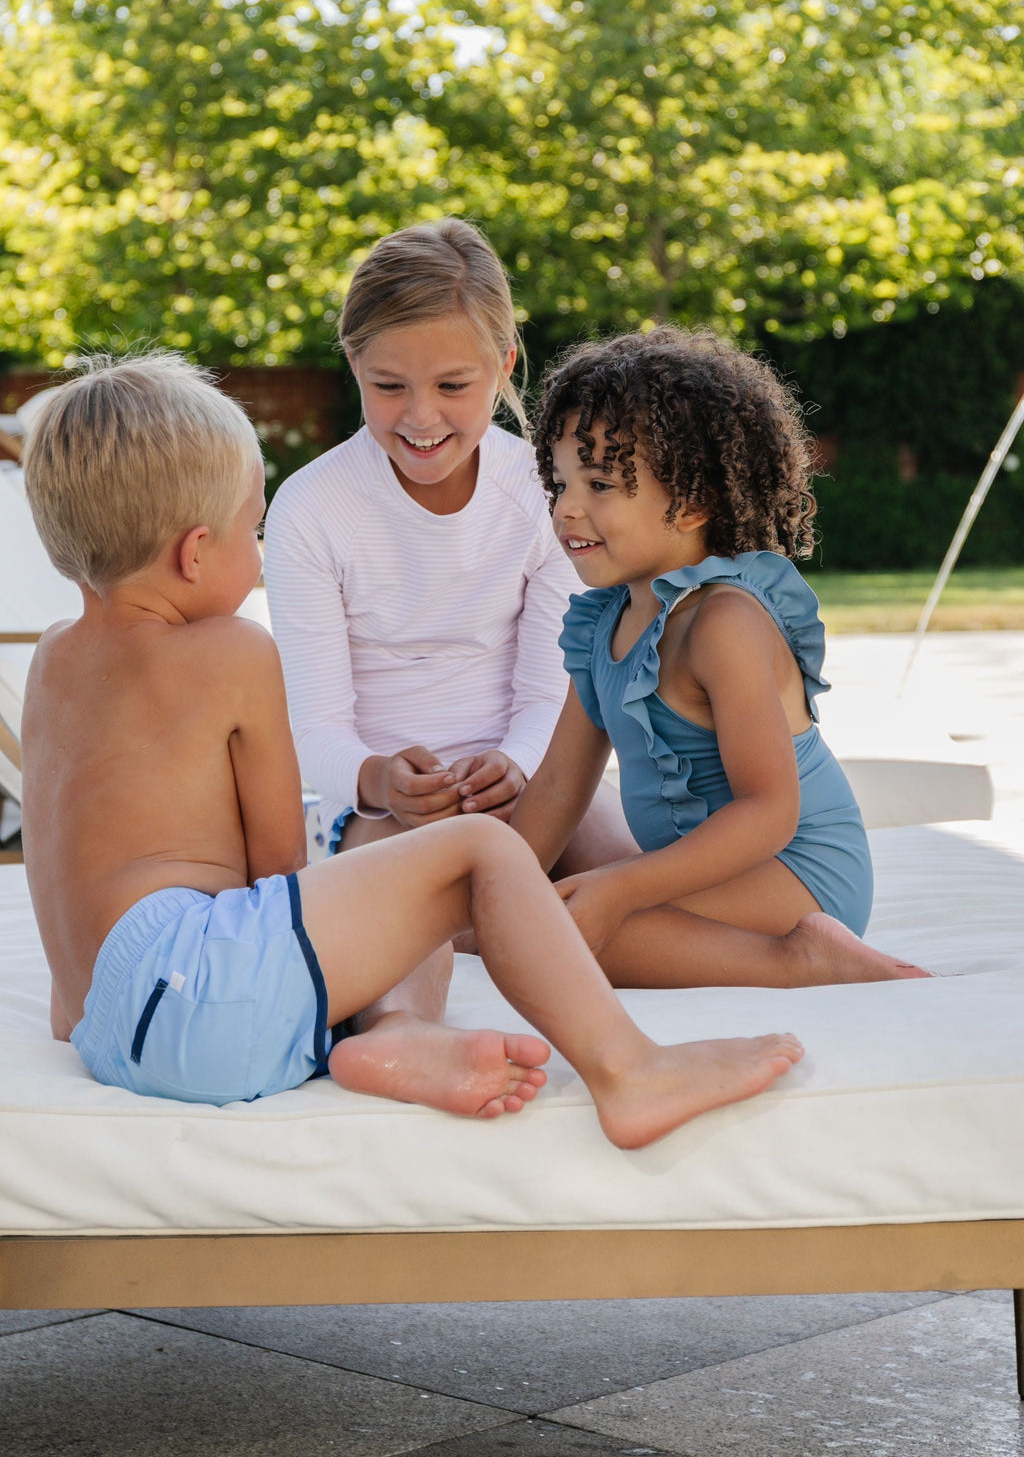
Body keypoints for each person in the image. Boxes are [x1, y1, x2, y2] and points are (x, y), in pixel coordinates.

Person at [17, 350, 804, 1147]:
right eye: (251, 530)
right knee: (475, 850)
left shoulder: (54, 662)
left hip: (106, 1027)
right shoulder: (231, 651)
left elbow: (61, 863)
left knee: (405, 885)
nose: (258, 554)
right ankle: (628, 1072)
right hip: (205, 988)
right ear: (193, 553)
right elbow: (280, 868)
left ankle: (396, 1033)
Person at [262, 217, 635, 1038]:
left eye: (454, 386)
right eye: (389, 385)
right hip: (384, 810)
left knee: (624, 866)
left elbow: (550, 694)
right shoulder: (312, 509)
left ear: (504, 366)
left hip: (525, 784)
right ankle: (404, 1037)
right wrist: (379, 779)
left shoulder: (540, 490)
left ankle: (782, 959)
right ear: (354, 364)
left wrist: (520, 765)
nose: (421, 417)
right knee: (379, 896)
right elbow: (316, 725)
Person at [512, 326, 931, 989]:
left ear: (693, 502)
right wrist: (488, 893)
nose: (566, 510)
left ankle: (804, 959)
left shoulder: (723, 622)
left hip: (796, 873)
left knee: (563, 938)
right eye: (559, 484)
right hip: (703, 869)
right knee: (510, 921)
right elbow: (560, 789)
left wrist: (620, 889)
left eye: (598, 484)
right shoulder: (601, 625)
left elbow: (769, 811)